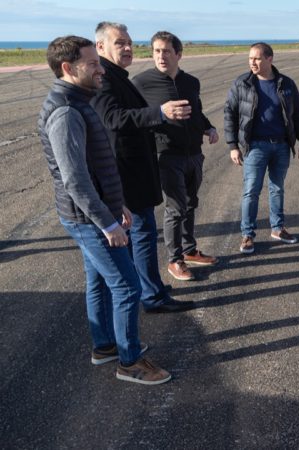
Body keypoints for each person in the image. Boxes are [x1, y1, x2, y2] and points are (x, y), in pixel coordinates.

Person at [39, 35, 170, 384]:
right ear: (68, 68)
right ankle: (130, 362)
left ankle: (104, 347)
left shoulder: (79, 101)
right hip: (88, 219)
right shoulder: (66, 112)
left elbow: (96, 167)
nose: (101, 69)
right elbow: (76, 180)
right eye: (93, 63)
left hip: (93, 213)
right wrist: (107, 222)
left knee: (97, 279)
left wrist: (118, 203)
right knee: (127, 287)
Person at [91, 21, 194, 312]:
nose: (127, 48)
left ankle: (150, 287)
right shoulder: (104, 78)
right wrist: (159, 113)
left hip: (135, 171)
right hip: (128, 174)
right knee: (144, 235)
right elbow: (113, 118)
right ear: (101, 47)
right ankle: (153, 297)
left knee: (143, 236)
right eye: (119, 43)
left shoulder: (117, 76)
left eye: (129, 43)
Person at [133, 31, 218, 281]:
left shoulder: (191, 82)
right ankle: (174, 259)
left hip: (194, 154)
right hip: (166, 155)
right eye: (156, 51)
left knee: (191, 203)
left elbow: (197, 112)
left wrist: (208, 127)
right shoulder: (141, 83)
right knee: (176, 208)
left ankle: (190, 250)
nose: (161, 56)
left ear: (178, 54)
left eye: (166, 51)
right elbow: (136, 117)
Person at [223, 42, 299, 254]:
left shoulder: (286, 84)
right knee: (251, 191)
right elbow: (230, 114)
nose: (252, 62)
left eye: (257, 58)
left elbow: (298, 114)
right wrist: (233, 145)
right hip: (255, 147)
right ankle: (247, 235)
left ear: (270, 59)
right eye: (250, 58)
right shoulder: (242, 83)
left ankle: (278, 228)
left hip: (281, 145)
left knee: (277, 188)